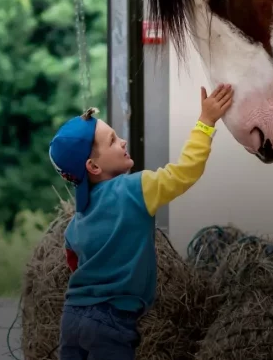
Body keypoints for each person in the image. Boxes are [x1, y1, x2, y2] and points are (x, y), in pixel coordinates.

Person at [48, 83, 234, 360]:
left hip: (72, 318)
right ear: (94, 167)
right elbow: (185, 172)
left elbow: (74, 263)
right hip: (112, 322)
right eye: (112, 140)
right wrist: (205, 123)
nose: (122, 141)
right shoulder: (135, 190)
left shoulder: (77, 220)